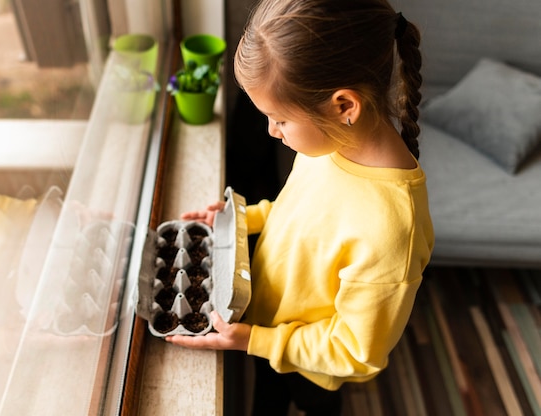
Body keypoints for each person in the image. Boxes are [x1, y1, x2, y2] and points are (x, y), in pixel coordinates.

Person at [166, 0, 434, 414]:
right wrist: (241, 221)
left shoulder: (393, 229)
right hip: (267, 327)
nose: (272, 131)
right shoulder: (327, 143)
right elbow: (297, 214)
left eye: (279, 119)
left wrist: (257, 341)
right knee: (266, 399)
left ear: (344, 105)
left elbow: (355, 351)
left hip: (311, 366)